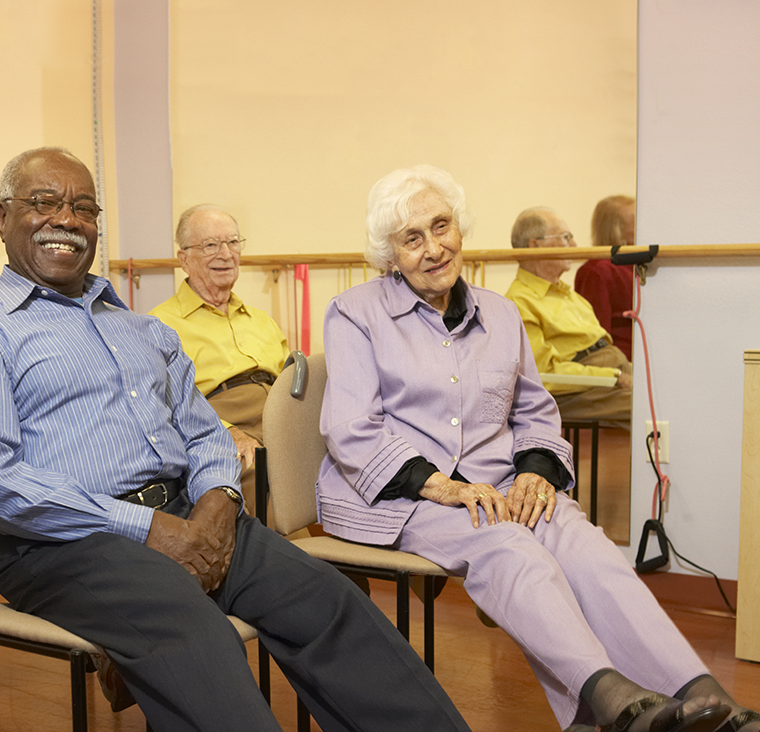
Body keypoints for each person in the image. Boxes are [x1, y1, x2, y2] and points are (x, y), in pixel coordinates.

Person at [0, 147, 471, 732]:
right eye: (44, 203)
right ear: (4, 219)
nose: (66, 219)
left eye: (83, 207)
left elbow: (205, 430)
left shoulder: (143, 329)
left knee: (328, 601)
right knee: (197, 637)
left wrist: (218, 501)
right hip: (65, 543)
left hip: (192, 516)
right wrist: (148, 528)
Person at [317, 164, 755, 732]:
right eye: (411, 238)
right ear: (390, 256)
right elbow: (351, 429)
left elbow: (535, 412)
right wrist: (446, 487)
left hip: (497, 485)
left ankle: (701, 695)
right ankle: (611, 698)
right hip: (406, 496)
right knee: (510, 549)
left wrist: (537, 473)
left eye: (441, 226)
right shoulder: (355, 314)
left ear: (461, 228)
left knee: (586, 545)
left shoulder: (500, 315)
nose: (433, 248)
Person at [148, 204, 287, 516]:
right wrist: (226, 431)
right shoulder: (159, 324)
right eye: (210, 245)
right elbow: (163, 403)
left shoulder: (262, 319)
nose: (225, 254)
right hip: (216, 420)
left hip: (278, 417)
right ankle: (288, 559)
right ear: (184, 258)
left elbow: (291, 380)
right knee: (256, 470)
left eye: (233, 242)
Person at [505, 207, 632, 429]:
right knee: (659, 406)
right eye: (566, 238)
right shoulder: (519, 302)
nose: (574, 246)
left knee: (675, 388)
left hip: (611, 374)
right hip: (579, 389)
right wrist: (613, 375)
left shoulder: (567, 293)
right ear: (535, 246)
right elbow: (545, 375)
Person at [575, 195, 637, 360]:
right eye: (635, 219)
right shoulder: (596, 271)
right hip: (625, 362)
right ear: (616, 227)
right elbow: (597, 335)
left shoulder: (638, 265)